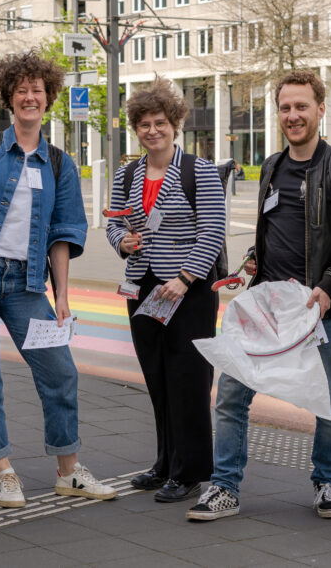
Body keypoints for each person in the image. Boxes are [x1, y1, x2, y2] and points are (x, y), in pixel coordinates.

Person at [187, 70, 331, 522]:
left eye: (301, 106)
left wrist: (328, 286)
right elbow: (274, 232)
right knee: (231, 393)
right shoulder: (271, 165)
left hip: (323, 307)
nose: (293, 116)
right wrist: (251, 262)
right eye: (285, 108)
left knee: (328, 400)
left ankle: (327, 483)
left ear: (321, 109)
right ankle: (225, 487)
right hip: (267, 307)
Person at [0, 51, 116, 509]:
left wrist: (61, 297)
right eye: (21, 90)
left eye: (37, 90)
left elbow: (63, 234)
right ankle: (4, 470)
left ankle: (68, 471)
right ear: (9, 99)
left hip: (26, 285)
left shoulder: (59, 164)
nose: (29, 97)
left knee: (60, 370)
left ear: (49, 98)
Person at [105, 78, 226, 503]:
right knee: (156, 376)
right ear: (135, 129)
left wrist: (186, 277)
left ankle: (190, 470)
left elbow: (213, 231)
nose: (151, 130)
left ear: (175, 125)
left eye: (159, 122)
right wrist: (121, 240)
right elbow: (114, 222)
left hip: (187, 290)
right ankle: (165, 463)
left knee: (188, 378)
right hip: (143, 286)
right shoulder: (128, 173)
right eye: (143, 124)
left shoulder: (200, 171)